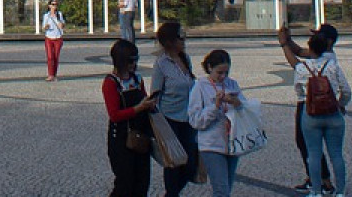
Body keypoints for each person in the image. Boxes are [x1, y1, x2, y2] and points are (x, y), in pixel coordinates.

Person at [279, 23, 340, 193]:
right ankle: (320, 179)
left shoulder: (326, 57)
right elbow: (299, 51)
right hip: (324, 105)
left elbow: (296, 62)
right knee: (312, 144)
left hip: (310, 104)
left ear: (327, 41)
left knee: (306, 142)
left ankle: (321, 180)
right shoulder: (325, 53)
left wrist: (284, 44)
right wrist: (288, 40)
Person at [292, 28, 351, 197]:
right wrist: (341, 104)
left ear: (309, 49)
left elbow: (298, 89)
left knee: (313, 154)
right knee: (337, 154)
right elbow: (346, 90)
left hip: (311, 115)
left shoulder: (302, 68)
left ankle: (316, 191)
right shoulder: (333, 66)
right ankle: (340, 191)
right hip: (333, 114)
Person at [188, 49, 251, 197]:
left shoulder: (232, 84)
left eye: (226, 73)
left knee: (226, 188)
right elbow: (195, 120)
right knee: (221, 190)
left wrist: (237, 103)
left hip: (232, 143)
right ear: (210, 67)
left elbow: (245, 110)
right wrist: (215, 106)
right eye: (219, 72)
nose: (223, 77)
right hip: (211, 145)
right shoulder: (200, 87)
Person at [104, 38, 160, 197]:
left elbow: (143, 98)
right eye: (130, 61)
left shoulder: (137, 79)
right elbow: (114, 115)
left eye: (135, 61)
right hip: (121, 137)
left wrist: (149, 104)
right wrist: (137, 108)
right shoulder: (111, 82)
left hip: (140, 134)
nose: (134, 65)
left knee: (142, 182)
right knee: (125, 183)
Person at [151, 19, 201, 197]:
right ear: (171, 41)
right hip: (170, 119)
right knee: (173, 163)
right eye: (181, 37)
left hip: (188, 118)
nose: (184, 40)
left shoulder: (185, 58)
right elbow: (155, 94)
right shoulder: (161, 64)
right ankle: (171, 194)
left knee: (190, 164)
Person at [41, 0, 66, 81]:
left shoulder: (59, 14)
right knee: (50, 56)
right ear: (49, 6)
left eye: (55, 5)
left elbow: (63, 25)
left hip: (58, 37)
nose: (54, 6)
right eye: (53, 4)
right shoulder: (46, 16)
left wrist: (59, 22)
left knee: (55, 57)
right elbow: (43, 27)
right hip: (49, 37)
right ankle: (50, 74)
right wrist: (46, 27)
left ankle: (54, 74)